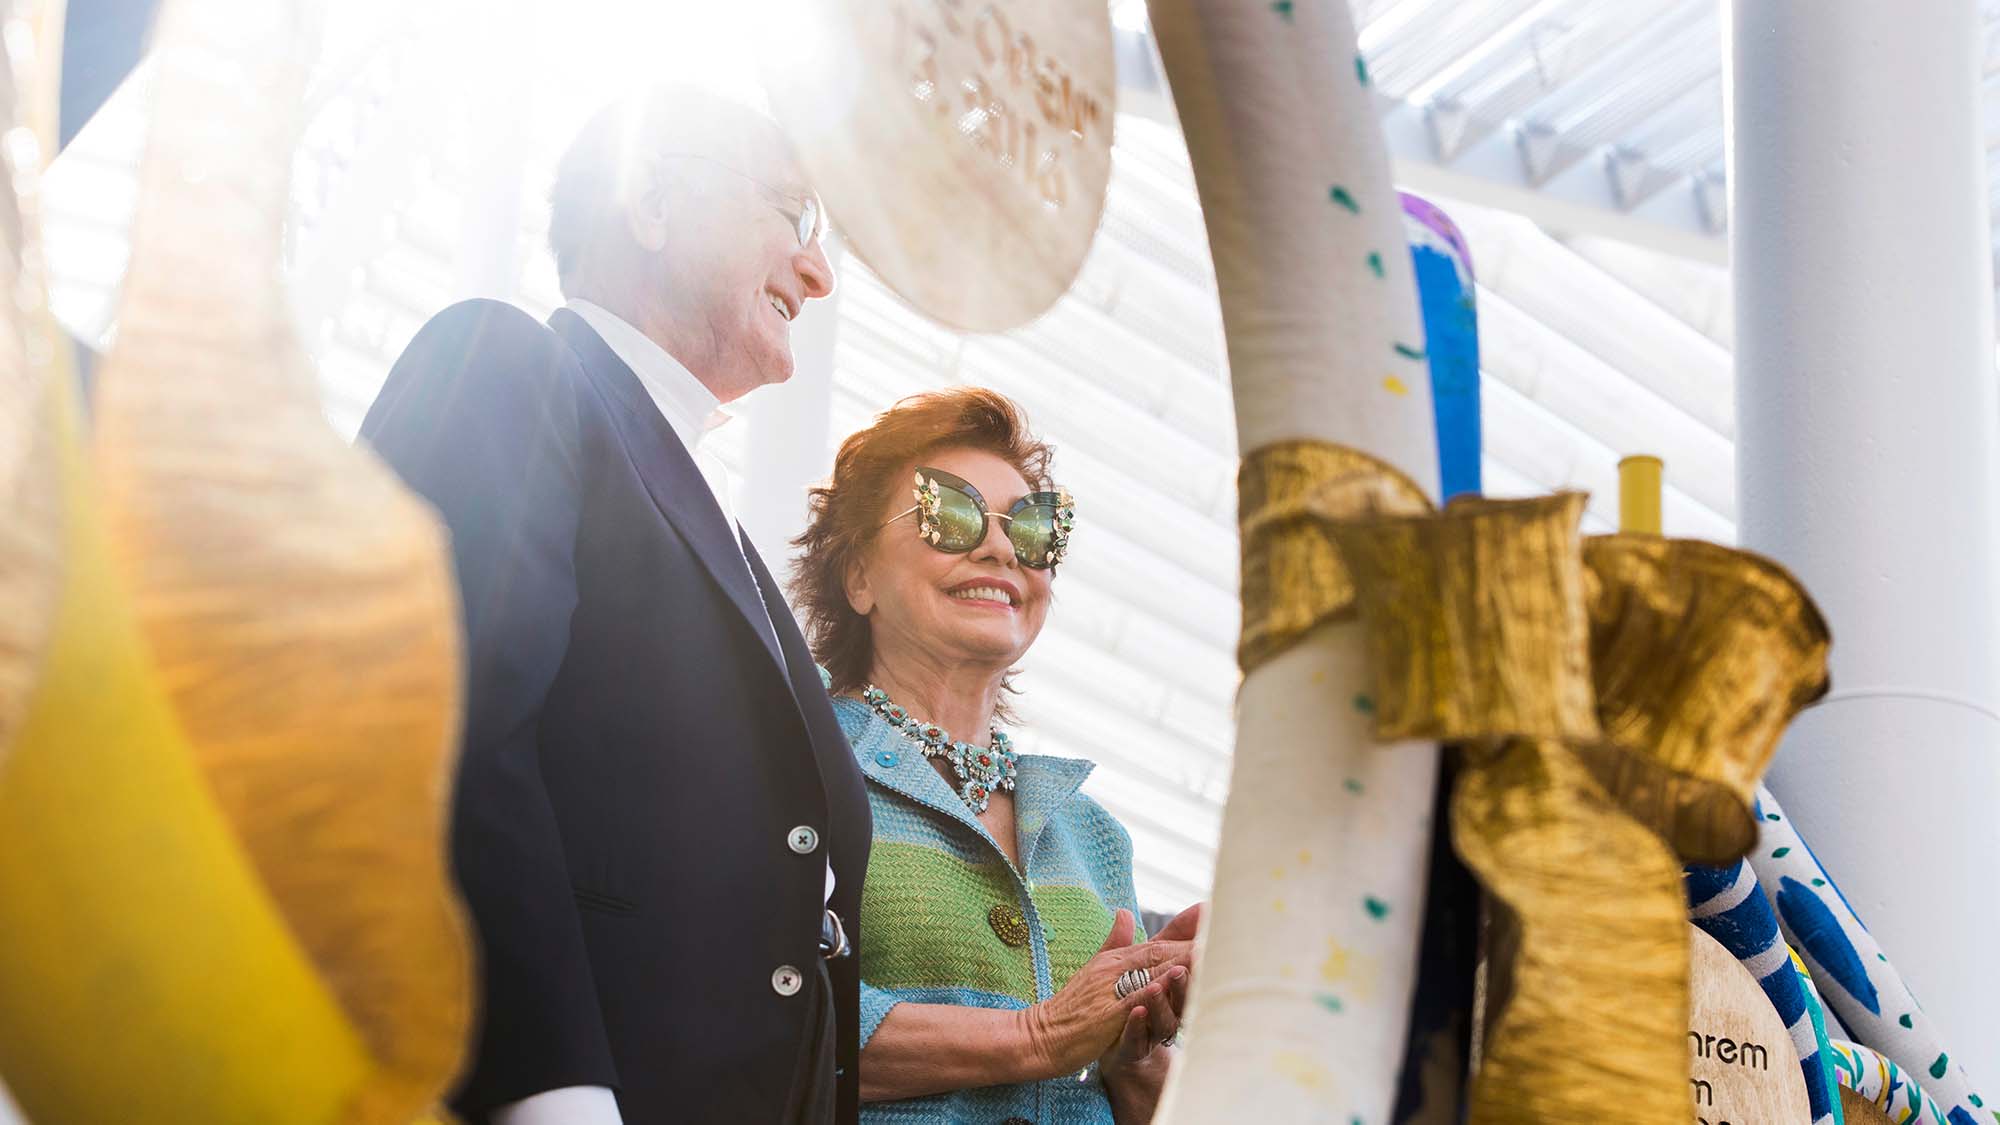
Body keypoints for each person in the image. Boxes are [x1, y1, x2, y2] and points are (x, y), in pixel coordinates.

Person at [359, 87, 869, 1125]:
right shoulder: (506, 366)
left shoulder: (732, 554)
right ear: (650, 200)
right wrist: (552, 1096)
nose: (816, 273)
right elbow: (440, 725)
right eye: (791, 214)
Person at [789, 388, 1202, 1124]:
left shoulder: (1095, 837)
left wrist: (1136, 1046)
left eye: (1037, 528)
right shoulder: (797, 763)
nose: (1002, 547)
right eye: (950, 513)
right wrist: (1040, 1035)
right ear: (856, 575)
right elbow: (770, 1010)